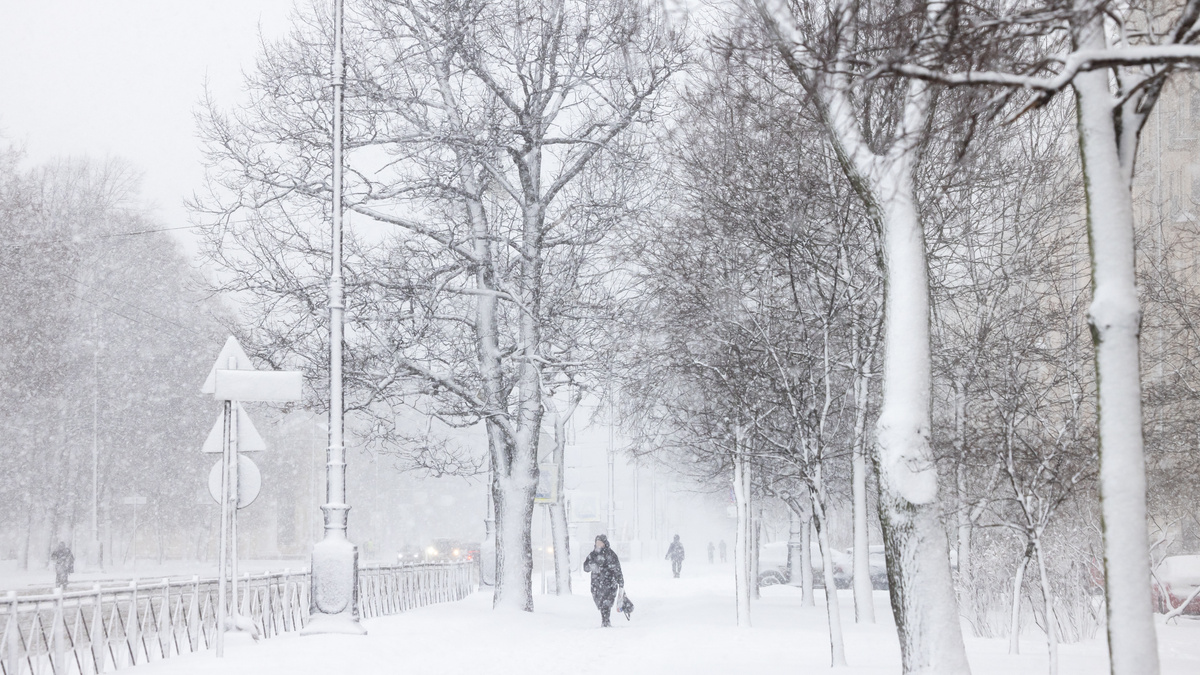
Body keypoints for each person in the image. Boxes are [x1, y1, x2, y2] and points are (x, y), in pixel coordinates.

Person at [583, 534, 623, 627]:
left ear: (604, 543)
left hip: (609, 582)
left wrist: (620, 580)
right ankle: (605, 619)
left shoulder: (611, 554)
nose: (598, 545)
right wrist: (590, 566)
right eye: (597, 543)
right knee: (599, 601)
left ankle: (605, 620)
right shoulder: (592, 555)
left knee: (607, 601)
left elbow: (617, 569)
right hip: (596, 583)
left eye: (600, 543)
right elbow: (585, 567)